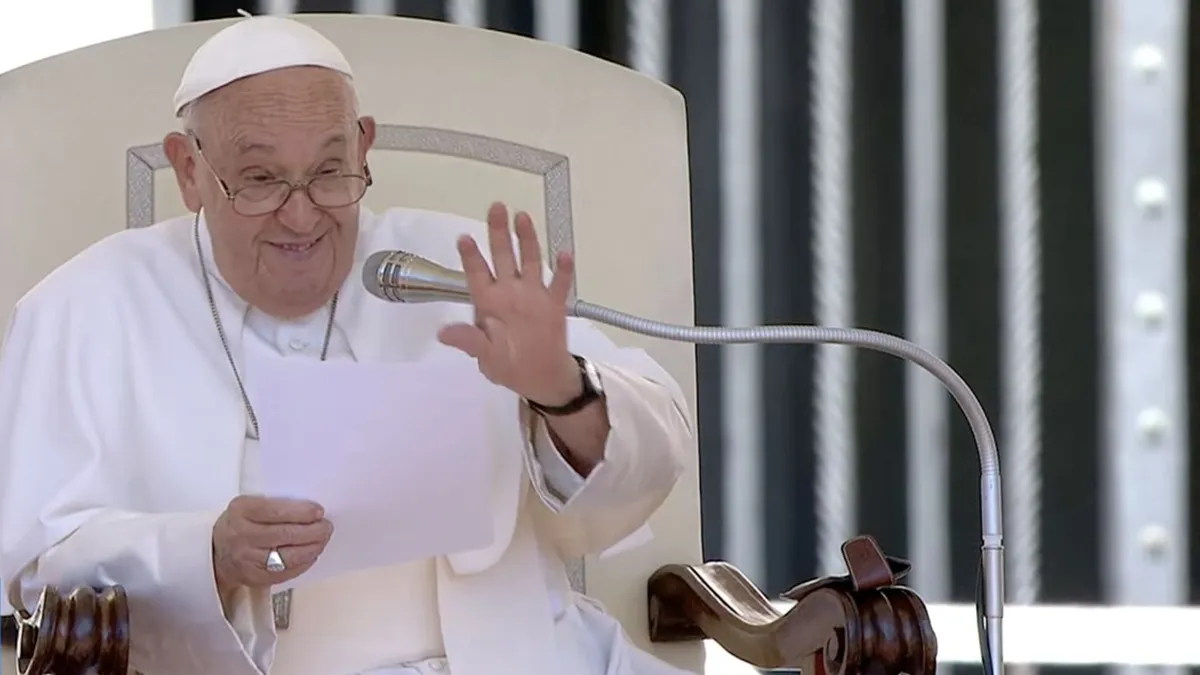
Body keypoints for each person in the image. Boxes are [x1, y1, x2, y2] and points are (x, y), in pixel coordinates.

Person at [0, 15, 693, 675]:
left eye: (330, 172)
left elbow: (658, 460)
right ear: (188, 170)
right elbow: (38, 572)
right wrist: (206, 553)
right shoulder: (85, 306)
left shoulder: (459, 268)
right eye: (261, 180)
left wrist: (562, 388)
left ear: (363, 148)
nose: (301, 216)